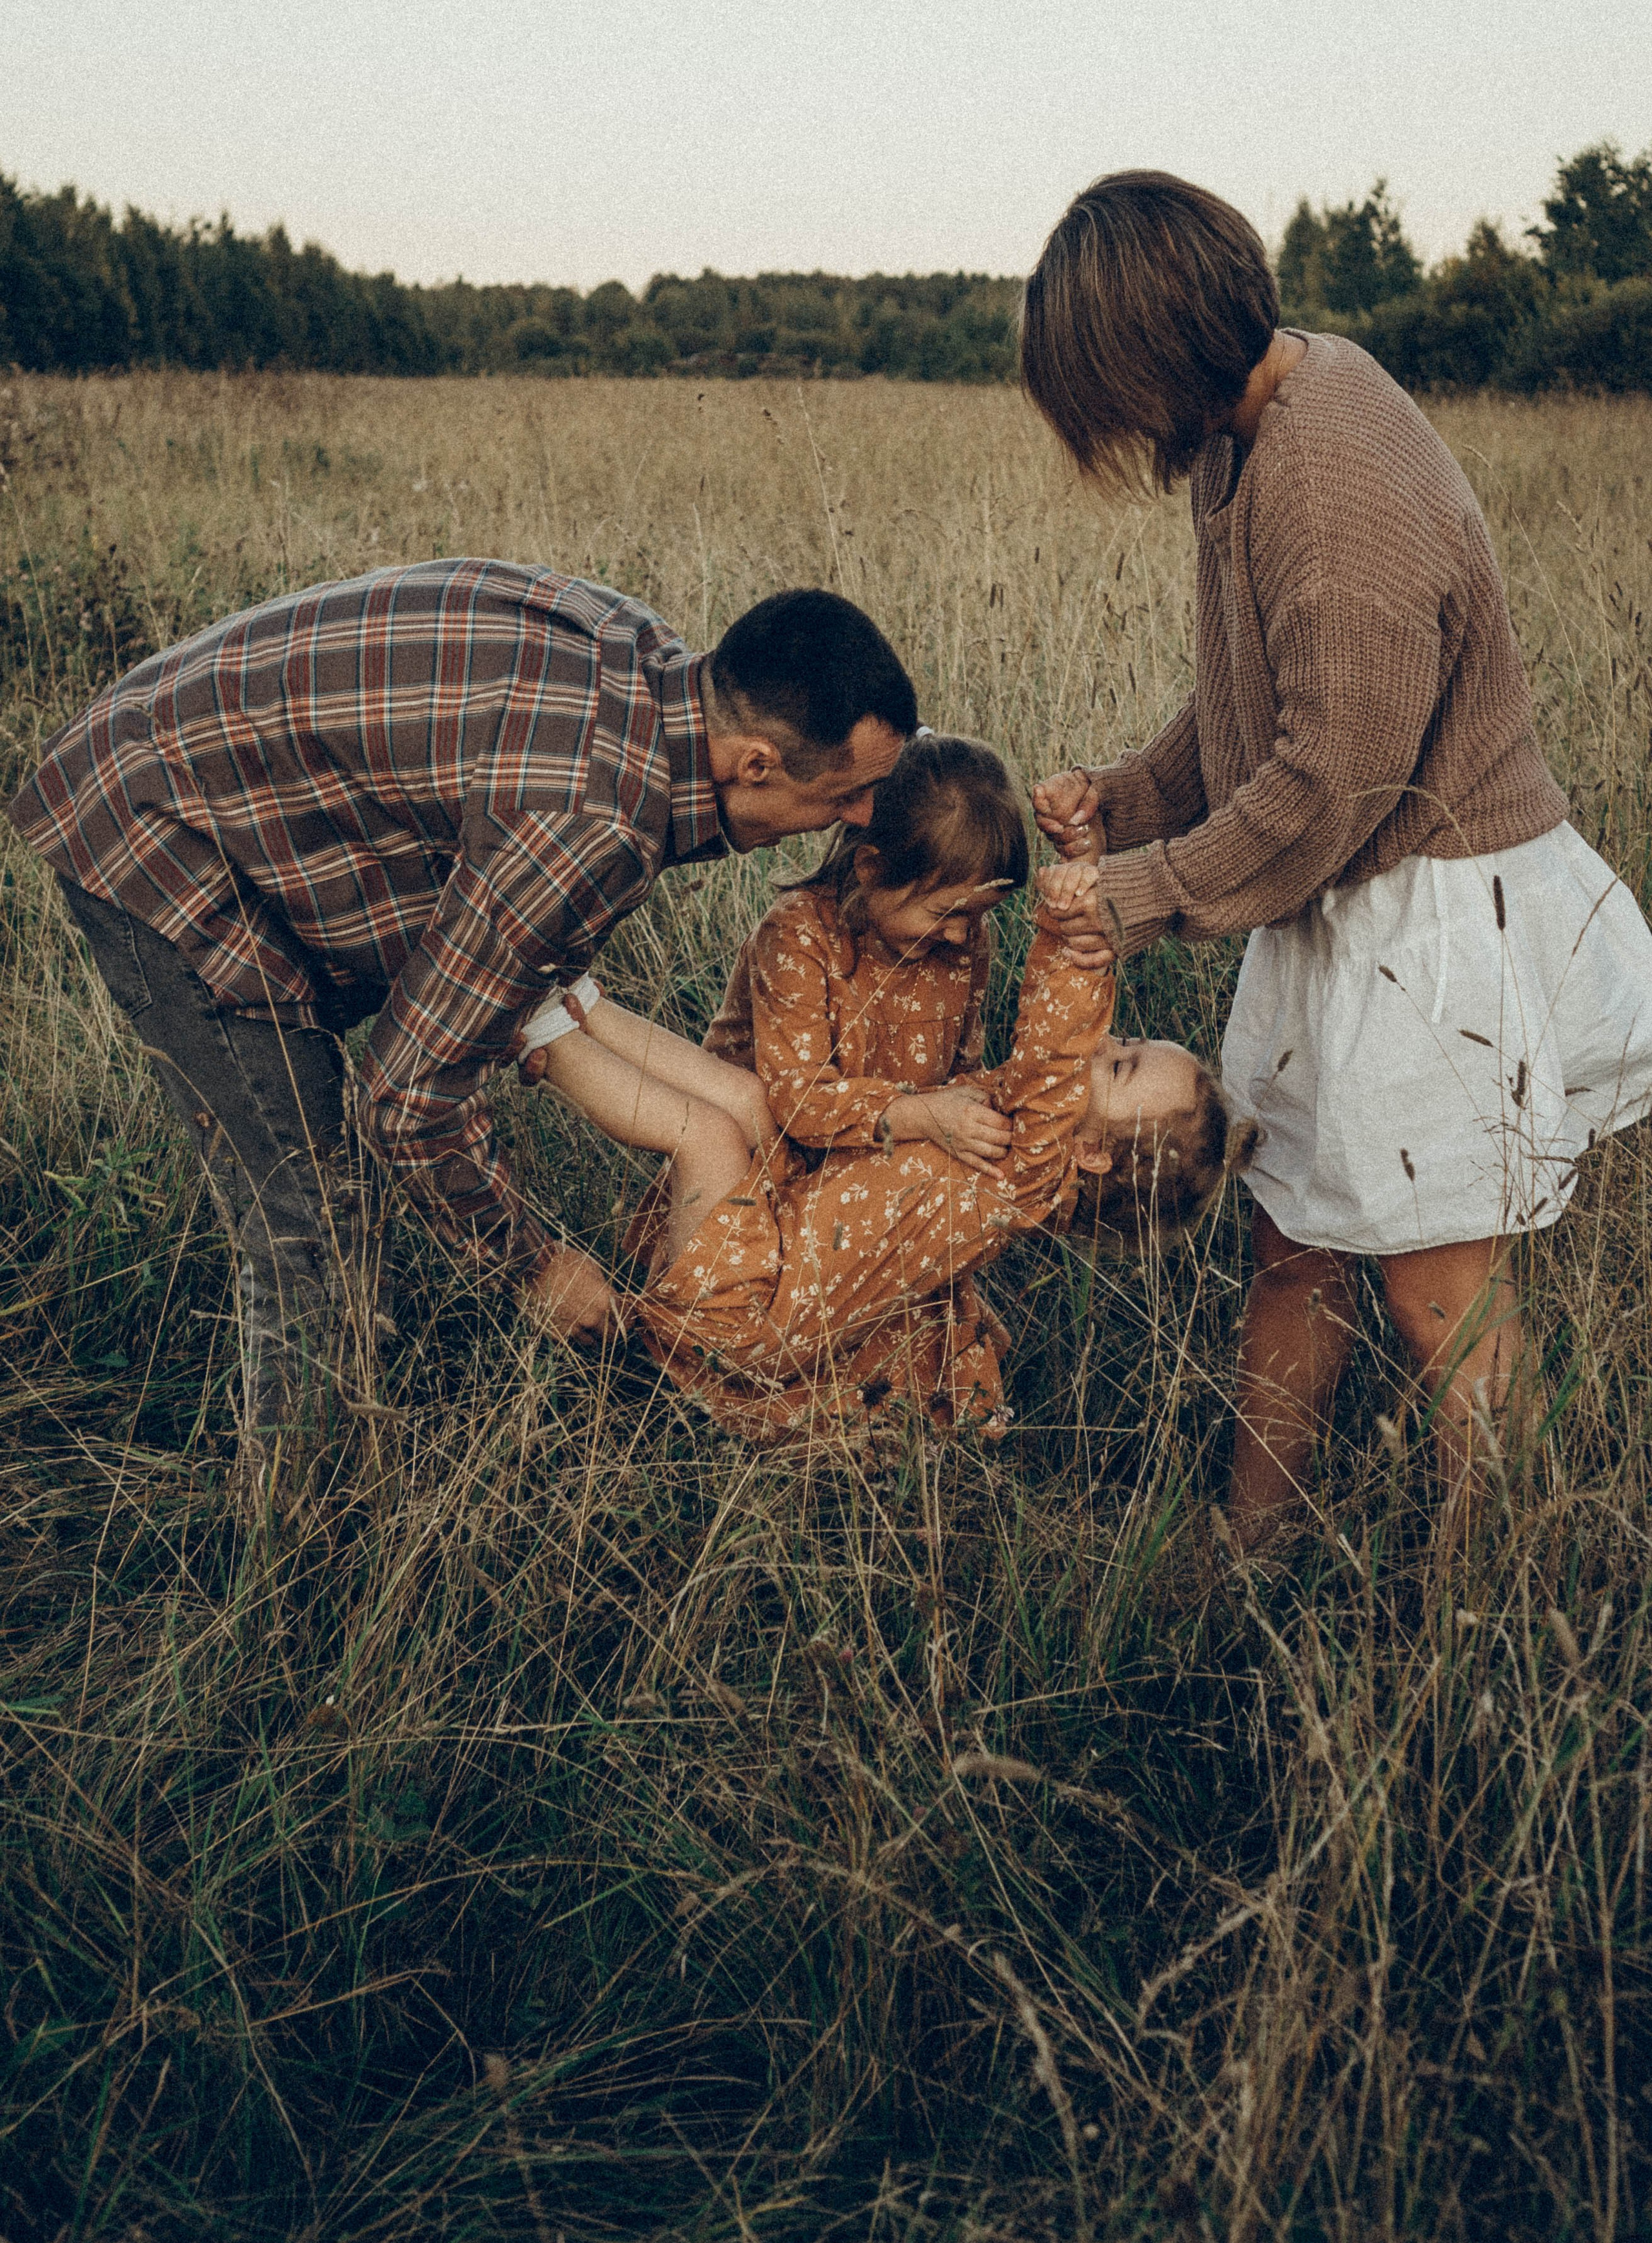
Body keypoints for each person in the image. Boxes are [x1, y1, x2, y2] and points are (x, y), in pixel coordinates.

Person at [1021, 170, 1652, 1547]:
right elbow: (1254, 705)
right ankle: (1246, 1548)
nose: (1111, 434)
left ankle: (1492, 1612)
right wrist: (1127, 799)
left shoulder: (1331, 478)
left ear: (1150, 354)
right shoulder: (1242, 433)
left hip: (1427, 916)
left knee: (1442, 1298)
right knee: (1290, 1242)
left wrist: (1127, 899)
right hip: (1339, 913)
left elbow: (1329, 787)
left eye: (1101, 394)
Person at [10, 562, 917, 1508]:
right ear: (754, 763)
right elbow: (406, 1097)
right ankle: (297, 1551)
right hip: (154, 834)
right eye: (848, 796)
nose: (859, 822)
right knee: (315, 1219)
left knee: (329, 1207)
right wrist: (536, 1267)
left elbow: (502, 940)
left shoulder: (650, 671)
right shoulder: (589, 822)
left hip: (181, 760)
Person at [523, 858, 1238, 1451]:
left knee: (704, 1135)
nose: (1106, 1044)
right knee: (746, 1103)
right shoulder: (1021, 1160)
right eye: (1127, 1041)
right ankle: (581, 1001)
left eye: (1121, 1068)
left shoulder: (1036, 1156)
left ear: (1088, 1153)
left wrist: (1068, 929)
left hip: (743, 1311)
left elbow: (1055, 1041)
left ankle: (536, 1035)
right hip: (777, 1236)